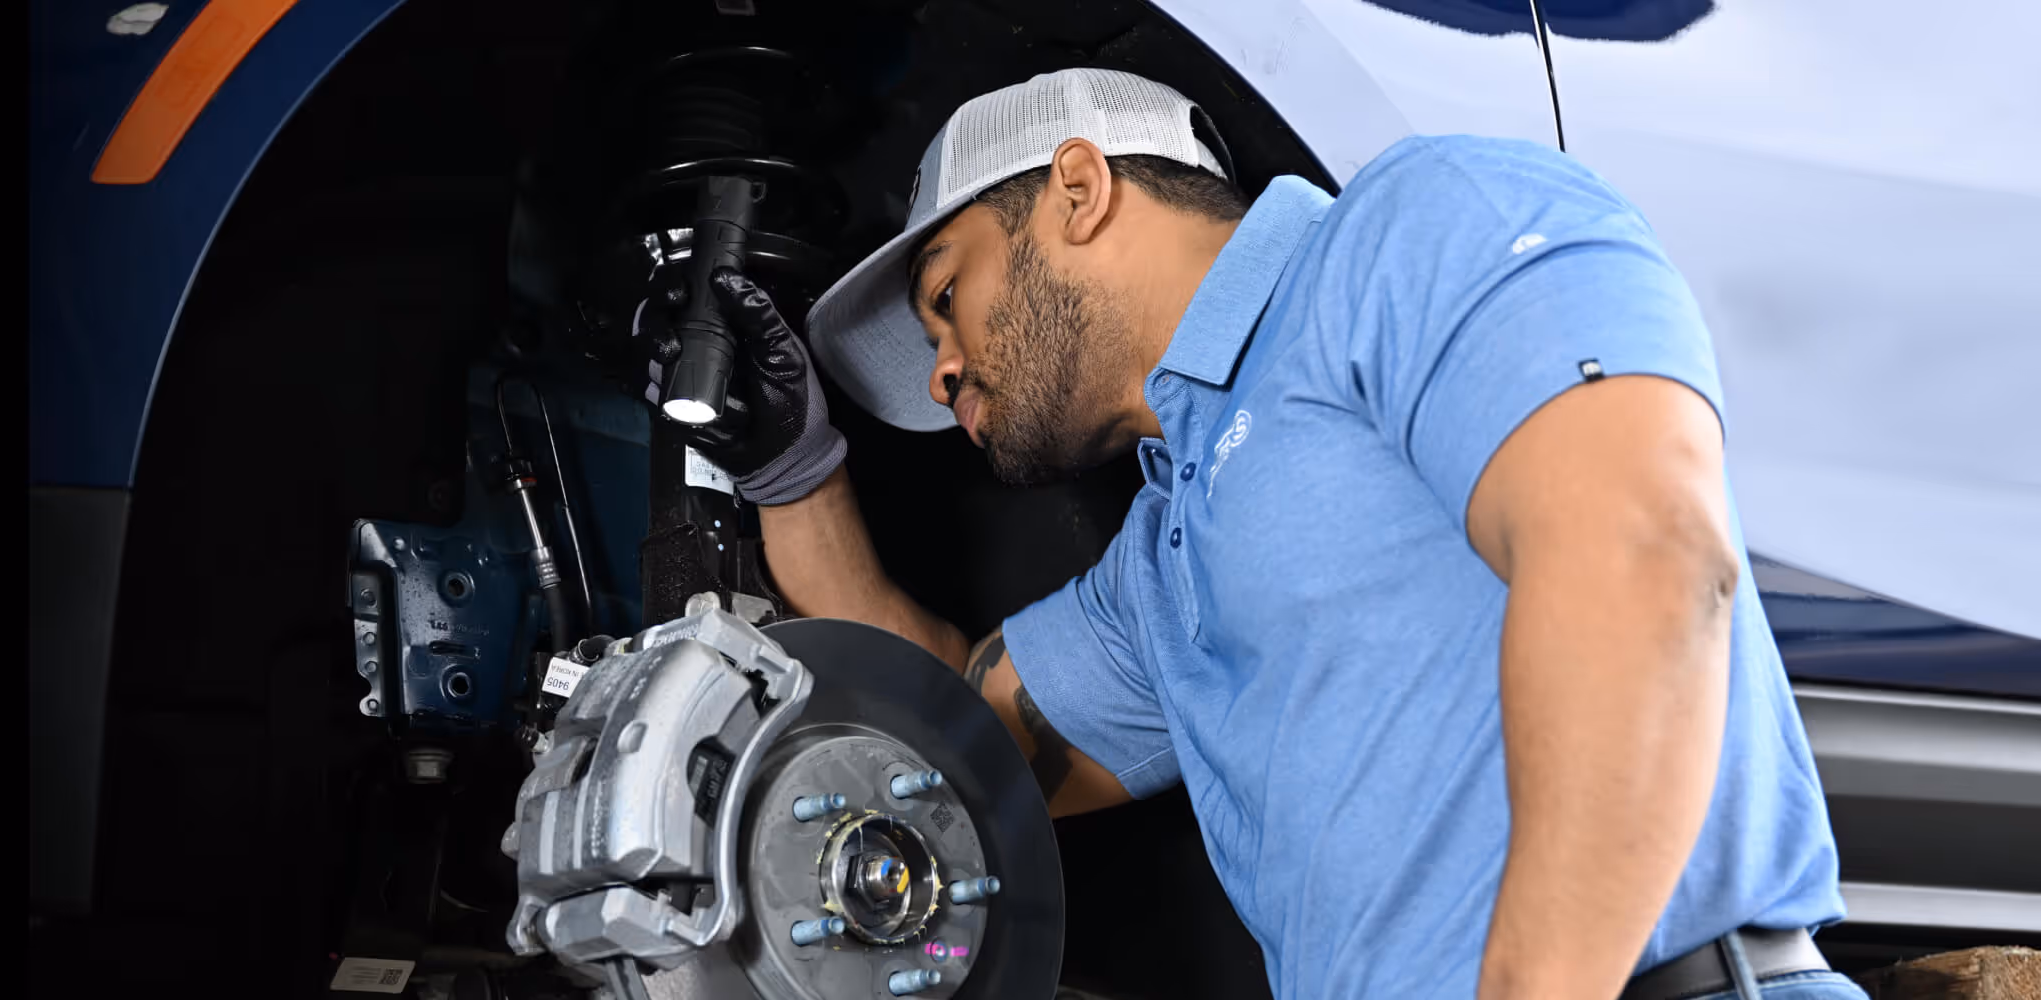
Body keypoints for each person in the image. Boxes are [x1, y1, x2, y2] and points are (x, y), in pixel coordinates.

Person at [641, 69, 1856, 1000]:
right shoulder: (1169, 564)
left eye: (947, 296)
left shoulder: (1412, 229)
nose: (946, 365)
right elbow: (931, 750)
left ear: (1078, 188)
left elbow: (1646, 561)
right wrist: (796, 472)